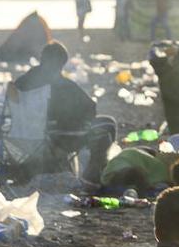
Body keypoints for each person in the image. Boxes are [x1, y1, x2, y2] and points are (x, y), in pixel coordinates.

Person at [13, 41, 116, 185]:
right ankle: (93, 174)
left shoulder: (21, 82)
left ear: (42, 59)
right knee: (108, 124)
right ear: (60, 64)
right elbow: (90, 107)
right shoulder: (63, 85)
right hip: (58, 137)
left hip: (22, 135)